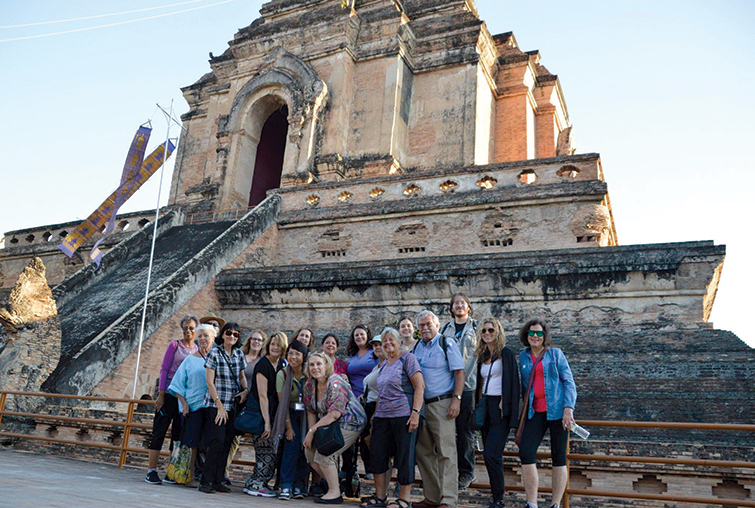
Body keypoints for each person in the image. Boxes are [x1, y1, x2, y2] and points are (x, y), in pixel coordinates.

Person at [517, 318, 577, 508]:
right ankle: (532, 503)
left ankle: (555, 504)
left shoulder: (555, 354)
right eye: (532, 333)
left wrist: (569, 408)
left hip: (558, 412)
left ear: (545, 336)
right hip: (535, 412)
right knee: (526, 452)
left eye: (539, 333)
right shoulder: (523, 357)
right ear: (526, 336)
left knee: (558, 456)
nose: (535, 336)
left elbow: (569, 381)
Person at [363, 328, 424, 508]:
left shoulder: (408, 359)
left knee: (405, 457)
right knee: (378, 455)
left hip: (403, 414)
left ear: (399, 341)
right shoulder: (384, 364)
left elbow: (420, 386)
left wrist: (415, 413)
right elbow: (381, 393)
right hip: (383, 416)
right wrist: (374, 418)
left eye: (391, 340)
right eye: (384, 341)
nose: (387, 343)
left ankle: (404, 499)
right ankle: (380, 497)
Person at [412, 310, 465, 508]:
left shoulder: (446, 343)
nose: (425, 328)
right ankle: (432, 498)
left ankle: (449, 500)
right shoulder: (417, 347)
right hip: (421, 406)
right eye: (422, 325)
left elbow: (459, 372)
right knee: (423, 452)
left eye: (428, 324)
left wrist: (456, 400)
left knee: (446, 452)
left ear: (436, 324)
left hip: (442, 403)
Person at [303, 352, 367, 504]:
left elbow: (335, 414)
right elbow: (311, 411)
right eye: (312, 364)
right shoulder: (309, 385)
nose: (315, 367)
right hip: (329, 422)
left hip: (351, 421)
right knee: (309, 451)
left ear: (326, 365)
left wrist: (312, 431)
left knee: (326, 452)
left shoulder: (336, 382)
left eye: (319, 364)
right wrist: (311, 434)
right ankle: (336, 484)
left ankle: (334, 493)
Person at [145, 314, 199, 485]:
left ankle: (171, 470)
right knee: (159, 431)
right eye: (185, 328)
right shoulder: (175, 346)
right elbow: (164, 369)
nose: (188, 331)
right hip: (168, 395)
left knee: (177, 435)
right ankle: (151, 470)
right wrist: (160, 394)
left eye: (191, 328)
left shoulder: (197, 350)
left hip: (183, 398)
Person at [475, 317, 520, 508]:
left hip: (501, 408)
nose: (487, 334)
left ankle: (499, 498)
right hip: (485, 407)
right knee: (489, 453)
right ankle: (495, 498)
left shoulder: (507, 354)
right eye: (484, 331)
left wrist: (507, 404)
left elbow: (514, 383)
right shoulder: (482, 355)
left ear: (498, 332)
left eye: (491, 330)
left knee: (491, 454)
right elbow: (479, 383)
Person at [200, 322, 249, 494]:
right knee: (217, 441)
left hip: (233, 405)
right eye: (229, 333)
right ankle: (206, 480)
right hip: (216, 404)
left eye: (236, 334)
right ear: (223, 334)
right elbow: (209, 382)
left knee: (227, 442)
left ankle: (218, 480)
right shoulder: (214, 352)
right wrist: (220, 406)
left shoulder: (238, 354)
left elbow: (242, 376)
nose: (232, 337)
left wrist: (246, 391)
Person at [167, 323, 216, 485]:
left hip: (212, 406)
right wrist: (184, 404)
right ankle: (190, 475)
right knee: (192, 442)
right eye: (200, 336)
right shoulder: (189, 360)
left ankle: (208, 476)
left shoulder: (217, 357)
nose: (202, 339)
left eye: (206, 336)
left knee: (209, 442)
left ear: (213, 338)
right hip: (194, 406)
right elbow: (177, 384)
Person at [439, 293, 478, 489]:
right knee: (447, 431)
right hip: (449, 385)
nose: (459, 306)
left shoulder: (477, 328)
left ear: (468, 307)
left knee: (465, 431)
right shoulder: (445, 329)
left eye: (463, 303)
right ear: (451, 308)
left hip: (469, 385)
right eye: (456, 303)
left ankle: (467, 472)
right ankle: (450, 471)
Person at [244, 331, 288, 497]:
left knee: (273, 451)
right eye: (273, 344)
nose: (275, 347)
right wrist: (267, 422)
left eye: (279, 345)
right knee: (265, 451)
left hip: (276, 413)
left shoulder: (283, 363)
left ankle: (254, 482)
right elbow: (262, 395)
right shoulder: (263, 364)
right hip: (263, 413)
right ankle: (257, 484)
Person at [225, 329, 267, 483]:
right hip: (233, 400)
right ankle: (224, 471)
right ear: (249, 341)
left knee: (241, 439)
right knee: (229, 438)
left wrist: (247, 392)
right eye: (254, 339)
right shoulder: (239, 355)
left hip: (250, 404)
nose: (256, 342)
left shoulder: (262, 361)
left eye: (259, 340)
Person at [272, 339, 310, 500]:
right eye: (291, 353)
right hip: (290, 414)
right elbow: (283, 404)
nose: (293, 357)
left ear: (304, 356)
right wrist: (288, 427)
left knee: (305, 448)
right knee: (291, 447)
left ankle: (299, 486)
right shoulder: (283, 374)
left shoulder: (309, 374)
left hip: (308, 415)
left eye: (297, 353)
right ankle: (286, 485)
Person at [344, 325, 378, 496]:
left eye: (362, 334)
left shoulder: (374, 353)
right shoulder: (351, 357)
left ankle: (370, 467)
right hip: (353, 401)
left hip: (370, 399)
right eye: (356, 335)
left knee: (367, 435)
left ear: (367, 336)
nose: (359, 337)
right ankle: (350, 472)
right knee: (352, 437)